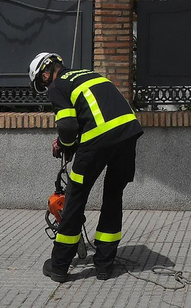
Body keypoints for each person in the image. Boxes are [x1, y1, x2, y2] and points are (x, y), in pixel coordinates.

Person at [30, 52, 145, 281]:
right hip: (128, 134)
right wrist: (72, 143)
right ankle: (104, 265)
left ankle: (60, 266)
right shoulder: (90, 74)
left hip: (98, 140)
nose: (45, 87)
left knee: (75, 198)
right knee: (113, 195)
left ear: (45, 75)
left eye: (42, 83)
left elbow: (68, 124)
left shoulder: (57, 86)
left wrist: (65, 145)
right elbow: (93, 112)